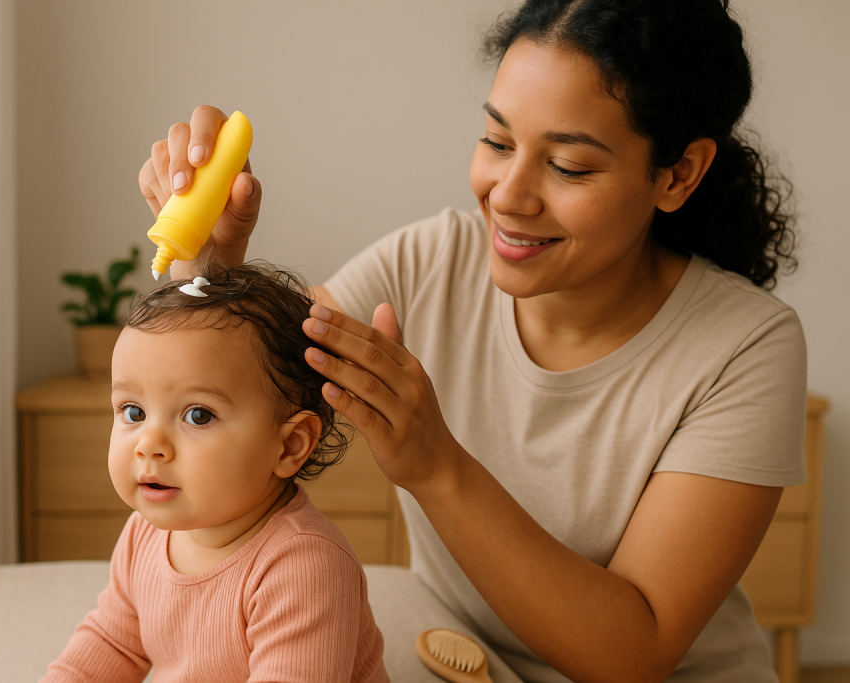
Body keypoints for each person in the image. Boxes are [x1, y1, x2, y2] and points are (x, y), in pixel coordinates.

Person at [137, 1, 806, 680]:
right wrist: (211, 264)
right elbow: (251, 391)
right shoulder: (430, 263)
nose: (509, 195)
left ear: (679, 173)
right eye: (496, 141)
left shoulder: (745, 346)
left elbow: (634, 650)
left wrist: (435, 465)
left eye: (569, 166)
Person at [41, 263, 389, 683]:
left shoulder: (305, 565)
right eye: (133, 411)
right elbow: (111, 645)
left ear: (290, 445)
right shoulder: (143, 535)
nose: (149, 444)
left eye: (198, 415)